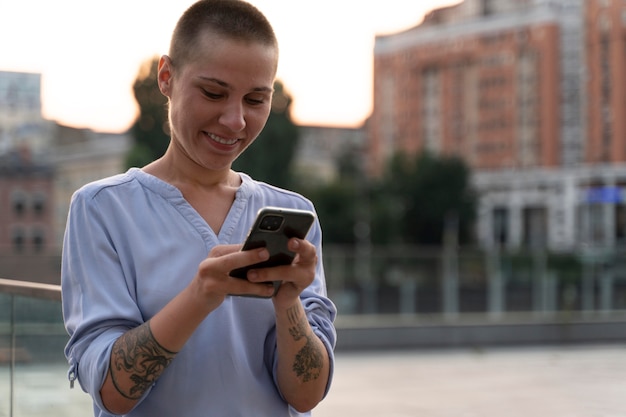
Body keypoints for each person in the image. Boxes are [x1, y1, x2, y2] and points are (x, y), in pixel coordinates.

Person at [61, 1, 337, 416]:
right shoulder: (102, 208)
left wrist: (288, 299)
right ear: (167, 77)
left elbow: (306, 395)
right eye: (213, 93)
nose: (235, 120)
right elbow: (111, 391)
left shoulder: (293, 213)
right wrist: (201, 295)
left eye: (256, 100)